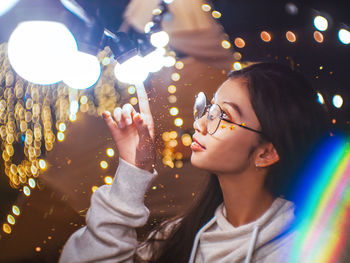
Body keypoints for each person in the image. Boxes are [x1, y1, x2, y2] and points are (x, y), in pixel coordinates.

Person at [59, 62, 329, 263]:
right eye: (208, 108)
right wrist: (133, 170)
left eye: (222, 117)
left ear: (266, 153)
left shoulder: (307, 249)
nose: (199, 124)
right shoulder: (179, 233)